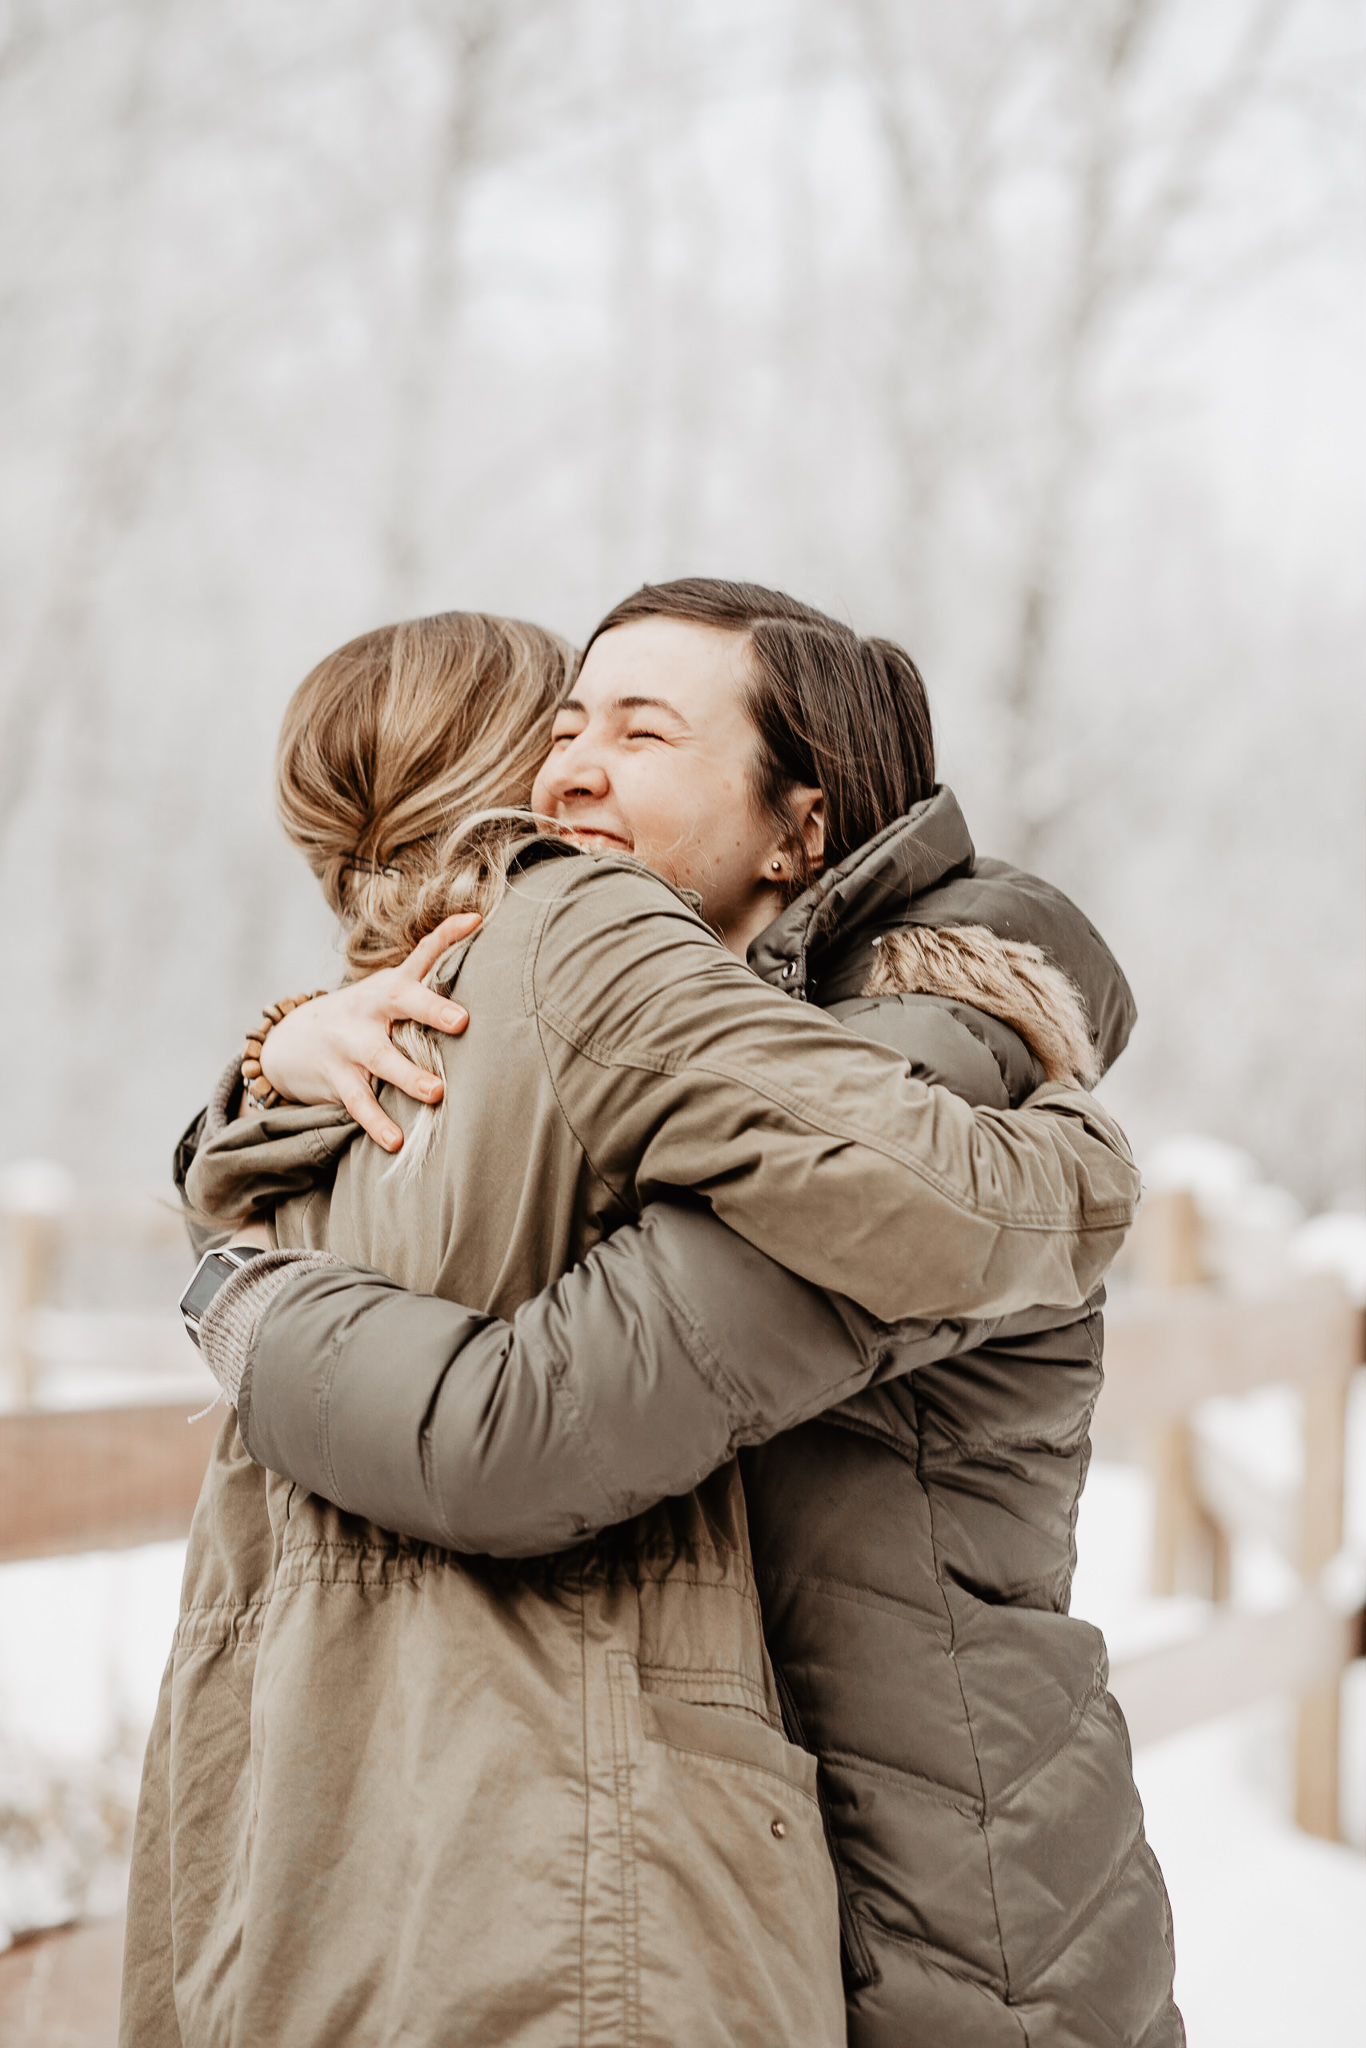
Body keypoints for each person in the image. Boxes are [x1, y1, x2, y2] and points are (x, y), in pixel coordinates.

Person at [124, 589, 1156, 2046]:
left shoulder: (916, 1060)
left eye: (640, 730)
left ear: (798, 831)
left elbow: (519, 1434)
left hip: (940, 1896)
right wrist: (276, 1066)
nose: (565, 773)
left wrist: (235, 1300)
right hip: (742, 1850)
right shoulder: (669, 1050)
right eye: (562, 726)